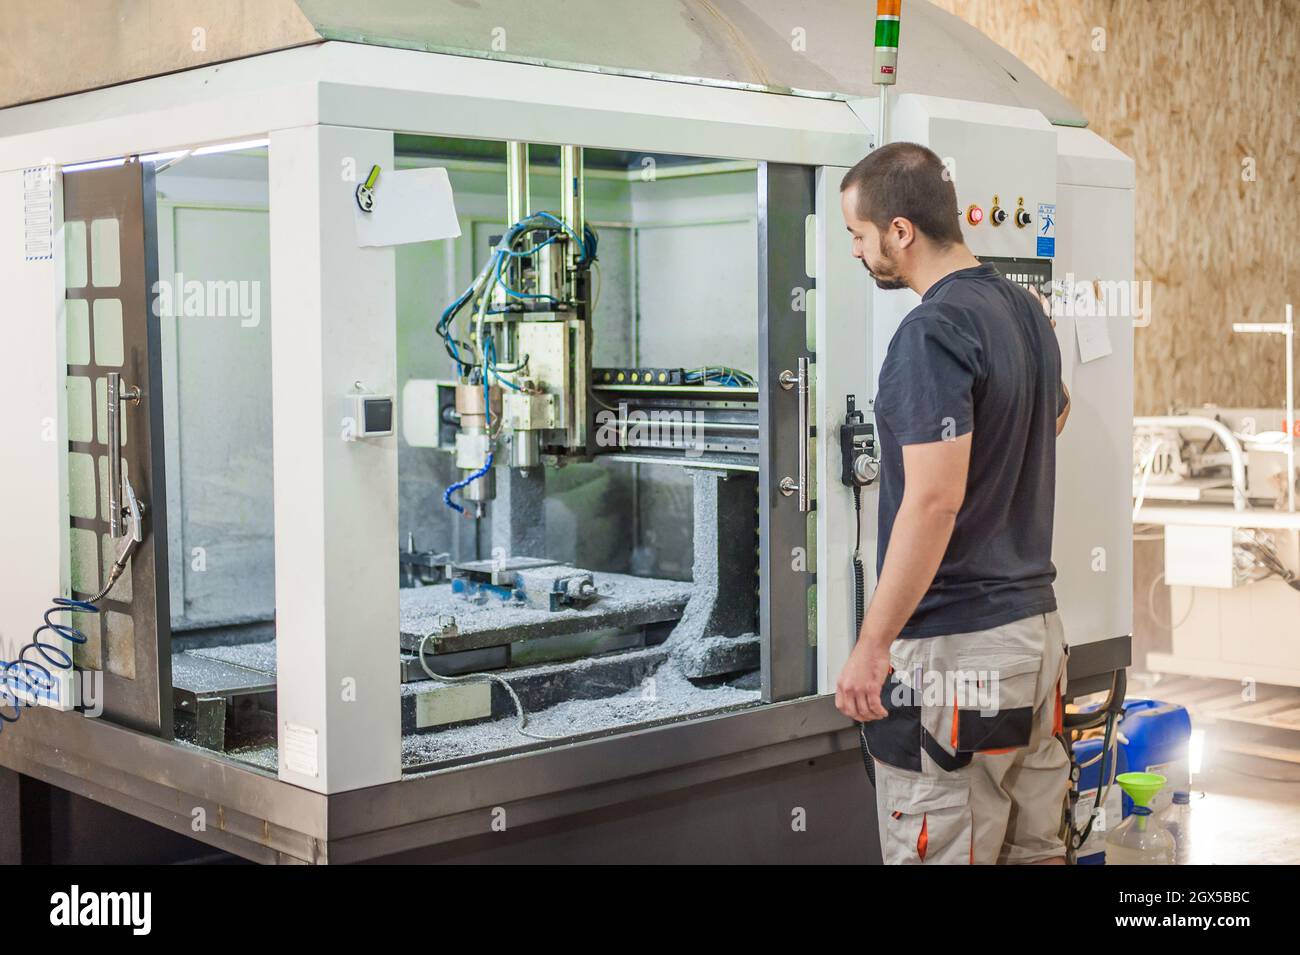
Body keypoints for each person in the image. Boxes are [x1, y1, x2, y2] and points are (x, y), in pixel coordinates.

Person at [835, 142, 1072, 865]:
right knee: (1032, 849)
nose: (856, 250)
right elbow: (1055, 413)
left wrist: (872, 646)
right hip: (1034, 639)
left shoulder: (930, 331)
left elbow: (933, 501)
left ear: (900, 231)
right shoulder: (1024, 309)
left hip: (958, 648)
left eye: (858, 234)